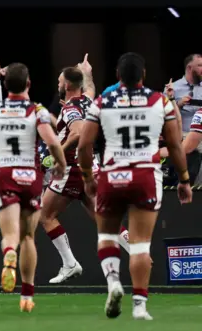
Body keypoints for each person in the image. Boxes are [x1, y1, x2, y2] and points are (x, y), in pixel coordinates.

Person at [77, 52, 192, 320]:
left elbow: (84, 145)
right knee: (141, 245)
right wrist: (184, 179)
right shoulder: (160, 101)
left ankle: (114, 280)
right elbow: (175, 145)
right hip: (145, 176)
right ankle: (140, 306)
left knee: (107, 236)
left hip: (112, 175)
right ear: (143, 75)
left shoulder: (103, 101)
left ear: (118, 76)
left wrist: (86, 177)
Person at [0, 63, 67, 313]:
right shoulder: (37, 110)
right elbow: (52, 141)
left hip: (5, 174)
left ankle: (9, 253)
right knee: (29, 236)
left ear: (4, 85)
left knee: (10, 236)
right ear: (29, 84)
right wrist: (60, 164)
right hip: (30, 175)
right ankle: (27, 296)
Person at [41, 66, 131, 284]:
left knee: (45, 215)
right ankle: (137, 250)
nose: (59, 84)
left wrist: (58, 153)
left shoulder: (71, 108)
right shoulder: (88, 101)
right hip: (91, 167)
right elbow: (90, 88)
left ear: (67, 85)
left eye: (60, 81)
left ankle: (70, 264)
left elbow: (78, 132)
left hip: (71, 169)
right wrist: (88, 72)